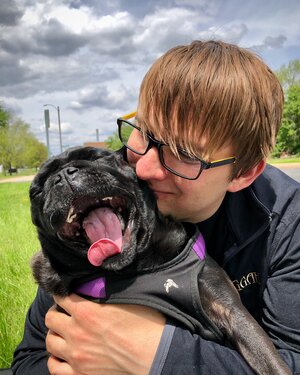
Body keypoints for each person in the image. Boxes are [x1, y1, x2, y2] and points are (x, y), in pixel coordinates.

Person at [12, 40, 300, 374]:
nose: (144, 169)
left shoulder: (286, 220)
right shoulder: (106, 191)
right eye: (144, 132)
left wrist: (157, 354)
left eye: (185, 154)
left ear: (244, 173)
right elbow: (29, 359)